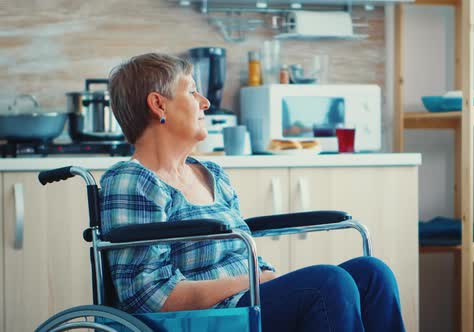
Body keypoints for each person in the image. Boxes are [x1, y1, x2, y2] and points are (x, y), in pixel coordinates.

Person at [101, 52, 406, 332]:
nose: (204, 102)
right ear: (158, 104)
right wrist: (252, 281)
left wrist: (261, 279)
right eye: (192, 91)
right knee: (328, 283)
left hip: (248, 301)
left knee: (372, 274)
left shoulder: (212, 174)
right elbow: (149, 297)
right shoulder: (133, 181)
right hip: (203, 320)